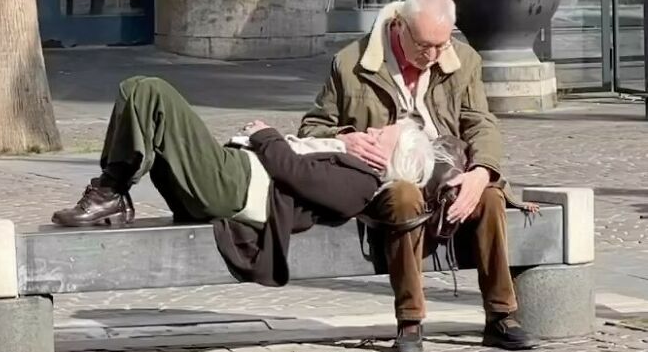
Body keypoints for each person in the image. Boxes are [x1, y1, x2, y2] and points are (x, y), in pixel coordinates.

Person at [298, 0, 537, 352]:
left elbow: (480, 123)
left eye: (442, 45)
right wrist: (349, 139)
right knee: (404, 195)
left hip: (447, 172)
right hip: (384, 178)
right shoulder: (351, 64)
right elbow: (312, 128)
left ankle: (501, 316)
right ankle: (410, 319)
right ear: (399, 27)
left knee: (489, 196)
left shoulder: (462, 60)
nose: (434, 55)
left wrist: (482, 171)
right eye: (425, 46)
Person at [51, 77, 437, 288]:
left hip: (233, 184)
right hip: (230, 177)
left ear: (390, 157)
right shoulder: (352, 164)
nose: (371, 130)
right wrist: (338, 141)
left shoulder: (361, 182)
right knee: (142, 97)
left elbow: (296, 174)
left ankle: (111, 192)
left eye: (381, 135)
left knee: (149, 91)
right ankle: (112, 191)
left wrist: (266, 134)